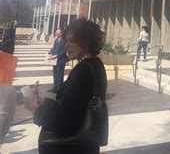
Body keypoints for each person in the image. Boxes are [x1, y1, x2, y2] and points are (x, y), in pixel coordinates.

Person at [24, 18, 108, 154]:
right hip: (85, 146)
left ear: (86, 41)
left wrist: (35, 108)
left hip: (71, 148)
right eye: (66, 40)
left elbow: (66, 121)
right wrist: (42, 101)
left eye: (71, 40)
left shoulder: (82, 70)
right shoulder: (96, 65)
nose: (66, 46)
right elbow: (75, 107)